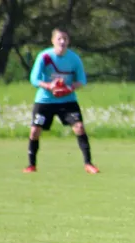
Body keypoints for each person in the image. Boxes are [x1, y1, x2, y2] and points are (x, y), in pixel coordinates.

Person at [23, 27, 99, 174]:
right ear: (53, 41)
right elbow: (34, 79)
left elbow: (82, 80)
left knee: (79, 128)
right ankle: (31, 165)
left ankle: (88, 164)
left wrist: (69, 88)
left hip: (67, 101)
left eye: (65, 38)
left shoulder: (74, 58)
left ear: (68, 41)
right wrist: (49, 86)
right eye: (59, 38)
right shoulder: (45, 57)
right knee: (34, 131)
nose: (62, 41)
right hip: (45, 100)